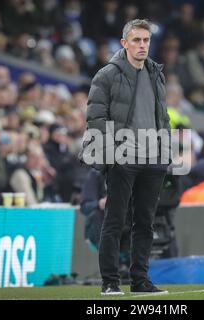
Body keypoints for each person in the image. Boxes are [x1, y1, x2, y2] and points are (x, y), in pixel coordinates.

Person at [80, 19, 170, 295]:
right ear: (124, 43)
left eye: (146, 40)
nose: (142, 45)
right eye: (136, 40)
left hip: (152, 157)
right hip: (123, 156)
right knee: (115, 221)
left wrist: (164, 153)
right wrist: (110, 156)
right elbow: (95, 118)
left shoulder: (156, 72)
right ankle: (110, 283)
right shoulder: (107, 74)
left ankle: (141, 282)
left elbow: (162, 116)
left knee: (145, 222)